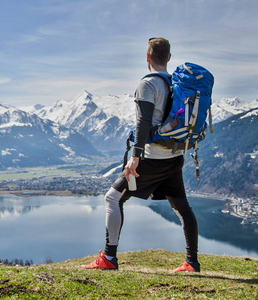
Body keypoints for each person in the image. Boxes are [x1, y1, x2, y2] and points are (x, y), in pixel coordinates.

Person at [80, 37, 200, 272]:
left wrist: (135, 157)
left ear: (147, 58)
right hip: (174, 157)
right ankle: (192, 262)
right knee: (182, 207)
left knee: (112, 198)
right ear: (168, 58)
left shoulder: (148, 84)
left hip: (151, 158)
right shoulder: (176, 85)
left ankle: (109, 258)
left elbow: (143, 122)